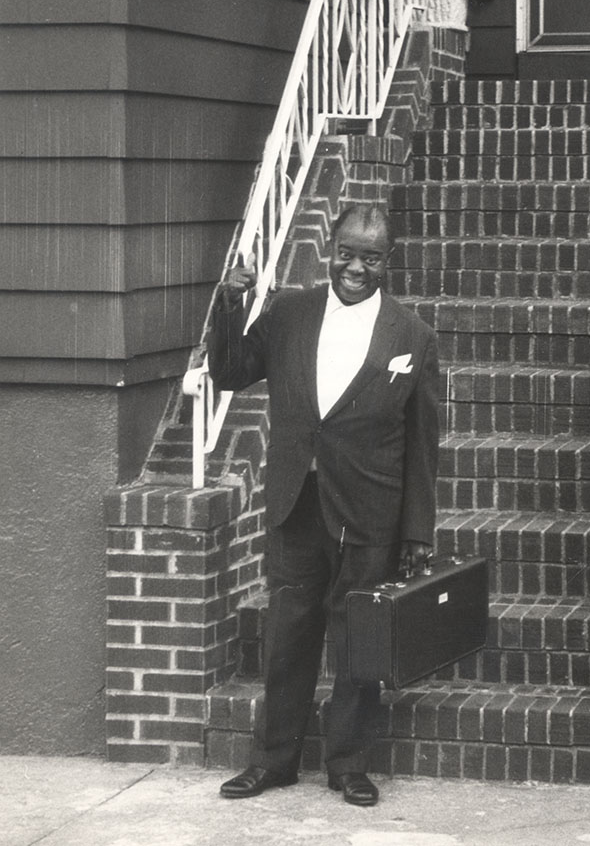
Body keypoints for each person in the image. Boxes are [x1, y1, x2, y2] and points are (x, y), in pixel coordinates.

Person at [211, 204, 440, 806]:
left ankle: (348, 764)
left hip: (370, 511)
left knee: (358, 639)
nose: (355, 267)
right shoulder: (289, 313)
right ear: (329, 249)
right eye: (346, 252)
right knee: (289, 633)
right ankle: (275, 760)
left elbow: (422, 444)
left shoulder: (412, 336)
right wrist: (230, 305)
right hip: (298, 501)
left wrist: (417, 530)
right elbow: (232, 370)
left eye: (370, 256)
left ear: (388, 260)